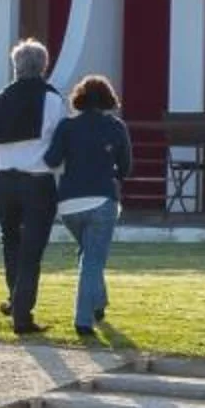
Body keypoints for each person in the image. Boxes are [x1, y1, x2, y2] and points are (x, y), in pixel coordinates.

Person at [0, 39, 66, 336]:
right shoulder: (52, 100)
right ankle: (21, 313)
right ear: (44, 66)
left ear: (15, 66)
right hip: (38, 180)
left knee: (10, 241)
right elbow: (58, 142)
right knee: (32, 249)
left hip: (5, 180)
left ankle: (15, 298)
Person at [42, 74, 130, 338]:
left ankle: (99, 303)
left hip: (69, 204)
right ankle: (83, 319)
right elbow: (125, 168)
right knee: (93, 259)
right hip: (102, 199)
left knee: (89, 255)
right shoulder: (116, 127)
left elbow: (51, 159)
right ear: (107, 99)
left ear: (79, 98)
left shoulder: (67, 127)